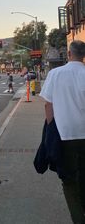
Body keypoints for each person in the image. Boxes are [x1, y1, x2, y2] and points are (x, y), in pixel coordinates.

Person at [39, 40, 85, 224]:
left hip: (64, 135)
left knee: (69, 180)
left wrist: (51, 131)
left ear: (69, 54)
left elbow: (48, 105)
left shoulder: (56, 74)